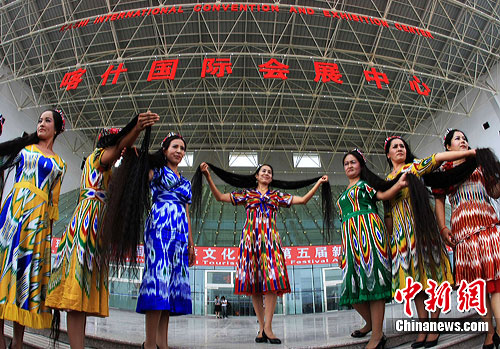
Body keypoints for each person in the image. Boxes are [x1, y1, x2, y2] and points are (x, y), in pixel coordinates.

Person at [45, 111, 159, 349]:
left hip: (96, 228)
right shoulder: (97, 157)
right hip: (88, 225)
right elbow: (117, 150)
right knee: (78, 290)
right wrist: (135, 130)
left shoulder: (106, 170)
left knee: (82, 290)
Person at [196, 162, 331, 344]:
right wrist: (208, 177)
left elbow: (303, 200)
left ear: (271, 178)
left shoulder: (276, 196)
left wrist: (318, 183)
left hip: (271, 242)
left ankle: (268, 327)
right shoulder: (247, 194)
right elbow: (220, 197)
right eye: (263, 171)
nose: (267, 173)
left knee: (273, 282)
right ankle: (262, 328)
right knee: (254, 286)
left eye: (269, 172)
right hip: (250, 243)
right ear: (257, 176)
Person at [383, 136, 476, 348]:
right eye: (395, 147)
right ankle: (423, 327)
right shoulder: (387, 181)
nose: (400, 149)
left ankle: (434, 327)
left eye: (403, 146)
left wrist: (469, 153)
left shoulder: (414, 167)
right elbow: (387, 213)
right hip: (402, 239)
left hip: (423, 232)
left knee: (432, 279)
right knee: (415, 285)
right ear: (387, 154)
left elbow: (439, 157)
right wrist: (390, 240)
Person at [110, 133, 195, 349]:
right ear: (164, 150)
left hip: (180, 234)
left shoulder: (185, 181)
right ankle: (149, 344)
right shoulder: (156, 171)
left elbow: (187, 214)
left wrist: (191, 245)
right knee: (158, 281)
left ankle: (162, 344)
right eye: (175, 146)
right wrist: (135, 156)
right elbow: (138, 174)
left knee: (169, 287)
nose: (179, 151)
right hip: (159, 227)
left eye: (182, 148)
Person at [0, 110, 66, 349]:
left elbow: (54, 204)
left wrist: (46, 237)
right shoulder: (23, 150)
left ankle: (17, 343)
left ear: (57, 129)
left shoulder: (60, 164)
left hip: (37, 226)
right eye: (39, 120)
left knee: (25, 276)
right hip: (13, 216)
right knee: (5, 271)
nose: (41, 124)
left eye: (47, 120)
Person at [432, 129, 500, 349]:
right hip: (463, 235)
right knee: (478, 289)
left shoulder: (479, 163)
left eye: (465, 138)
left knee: (496, 285)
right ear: (448, 147)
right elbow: (439, 201)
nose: (463, 141)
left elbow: (495, 192)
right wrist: (443, 228)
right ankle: (489, 333)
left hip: (488, 229)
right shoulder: (444, 171)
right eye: (457, 139)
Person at [338, 149, 408, 349]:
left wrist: (400, 185)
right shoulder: (343, 193)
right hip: (350, 241)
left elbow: (383, 194)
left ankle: (377, 335)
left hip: (370, 235)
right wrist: (343, 249)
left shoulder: (365, 185)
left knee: (373, 280)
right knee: (351, 286)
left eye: (353, 162)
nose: (349, 166)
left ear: (361, 164)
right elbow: (343, 220)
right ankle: (370, 324)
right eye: (346, 164)